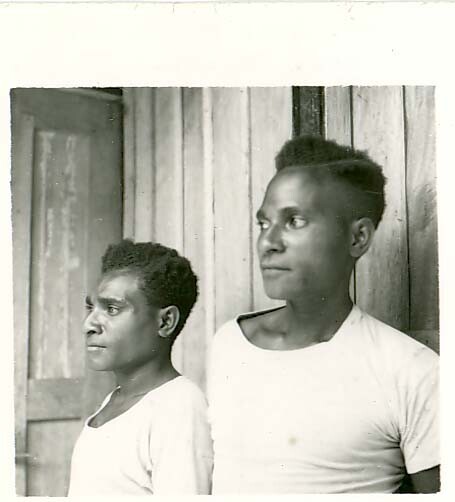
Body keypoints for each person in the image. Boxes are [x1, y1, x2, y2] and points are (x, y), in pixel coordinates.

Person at [207, 135, 439, 494]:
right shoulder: (230, 344)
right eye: (263, 223)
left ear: (358, 238)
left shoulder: (412, 371)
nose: (268, 242)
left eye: (295, 221)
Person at [68, 239, 213, 495]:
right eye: (91, 308)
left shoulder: (178, 407)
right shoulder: (115, 400)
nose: (89, 325)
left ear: (165, 321)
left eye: (112, 309)